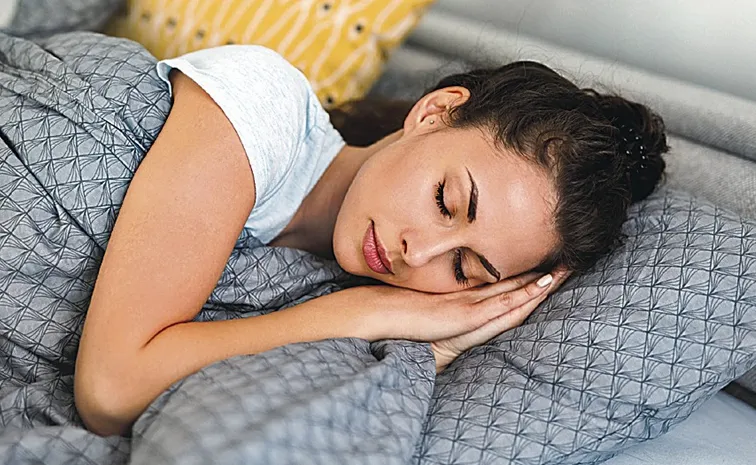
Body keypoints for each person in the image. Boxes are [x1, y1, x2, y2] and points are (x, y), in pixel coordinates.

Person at [72, 45, 668, 437]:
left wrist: (429, 346)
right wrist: (364, 311)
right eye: (445, 201)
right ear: (435, 113)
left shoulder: (315, 285)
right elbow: (110, 391)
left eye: (464, 268)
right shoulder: (263, 105)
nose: (419, 252)